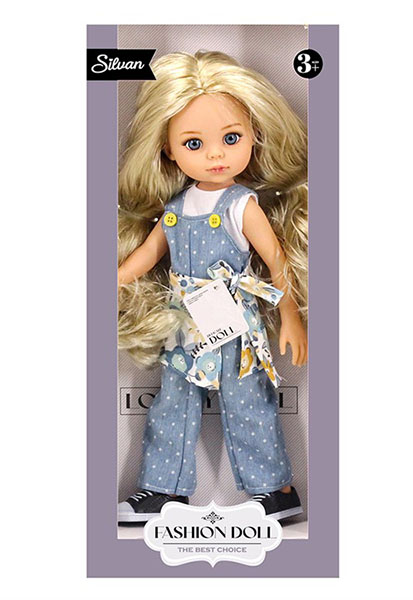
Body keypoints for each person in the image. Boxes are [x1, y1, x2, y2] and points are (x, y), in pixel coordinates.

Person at [117, 51, 308, 521]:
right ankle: (162, 491)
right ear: (168, 149)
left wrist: (290, 316)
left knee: (248, 401)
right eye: (194, 143)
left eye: (231, 138)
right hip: (187, 322)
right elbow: (149, 253)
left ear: (254, 135)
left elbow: (276, 259)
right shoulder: (176, 208)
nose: (216, 154)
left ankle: (276, 490)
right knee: (173, 401)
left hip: (233, 322)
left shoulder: (242, 205)